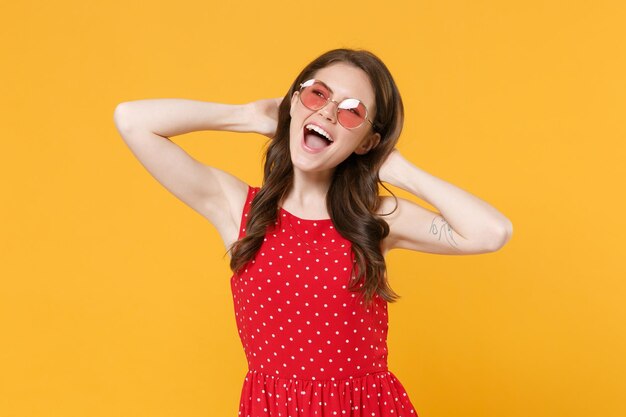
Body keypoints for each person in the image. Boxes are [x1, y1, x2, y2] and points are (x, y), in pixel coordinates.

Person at [114, 48, 513, 417]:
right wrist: (246, 117)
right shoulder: (238, 208)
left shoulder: (373, 216)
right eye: (318, 94)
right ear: (293, 104)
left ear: (366, 142)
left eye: (352, 112)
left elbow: (491, 232)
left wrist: (398, 170)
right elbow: (132, 120)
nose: (327, 114)